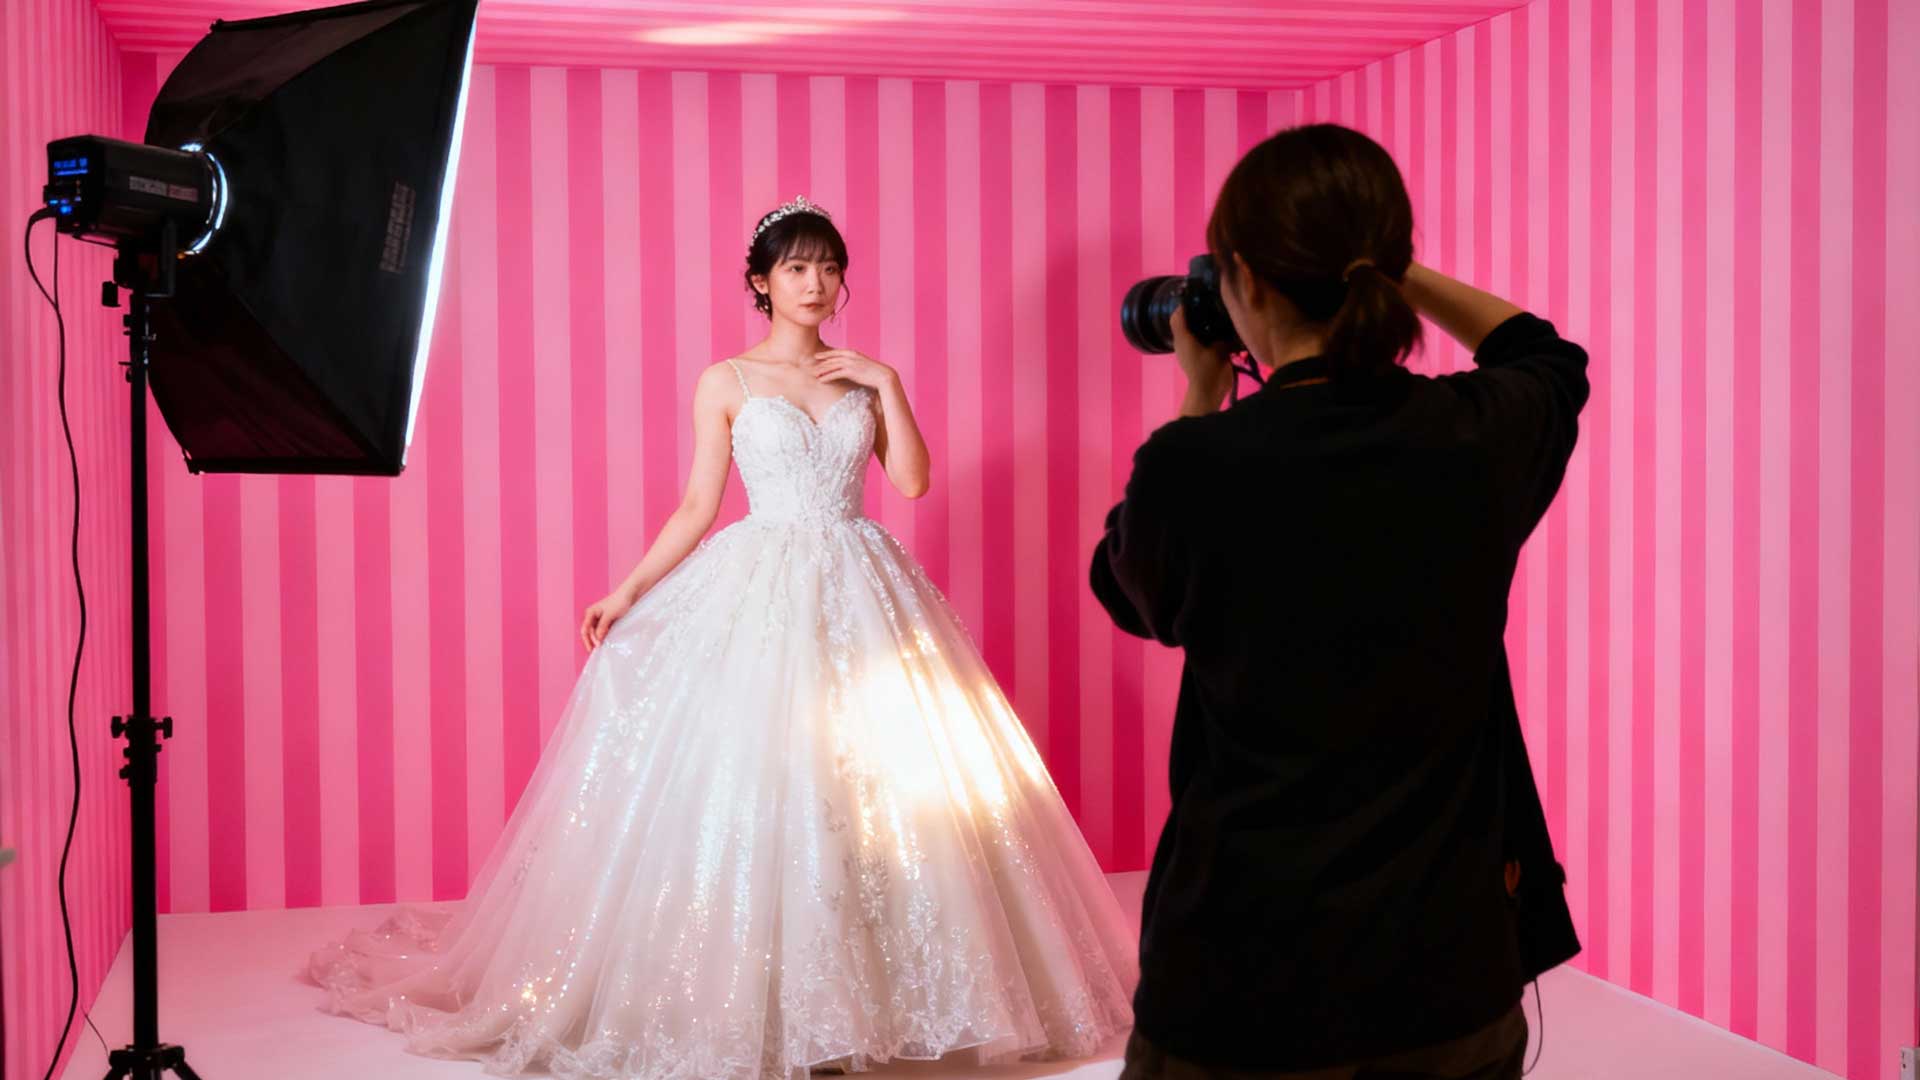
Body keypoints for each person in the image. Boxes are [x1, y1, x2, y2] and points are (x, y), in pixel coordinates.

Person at [306, 196, 1137, 1079]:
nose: (816, 284)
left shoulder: (863, 380)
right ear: (761, 283)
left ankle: (873, 1000)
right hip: (761, 585)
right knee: (764, 778)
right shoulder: (728, 381)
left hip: (861, 584)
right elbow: (699, 506)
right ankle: (775, 1000)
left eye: (829, 268)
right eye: (797, 268)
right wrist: (627, 589)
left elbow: (913, 483)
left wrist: (890, 383)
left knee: (878, 782)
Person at [1091, 123, 1586, 1080]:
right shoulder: (1475, 436)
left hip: (1239, 984)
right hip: (1450, 977)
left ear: (1243, 278)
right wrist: (1385, 265)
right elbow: (1543, 355)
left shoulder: (1195, 467)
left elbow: (1127, 587)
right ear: (1386, 268)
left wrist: (1198, 395)